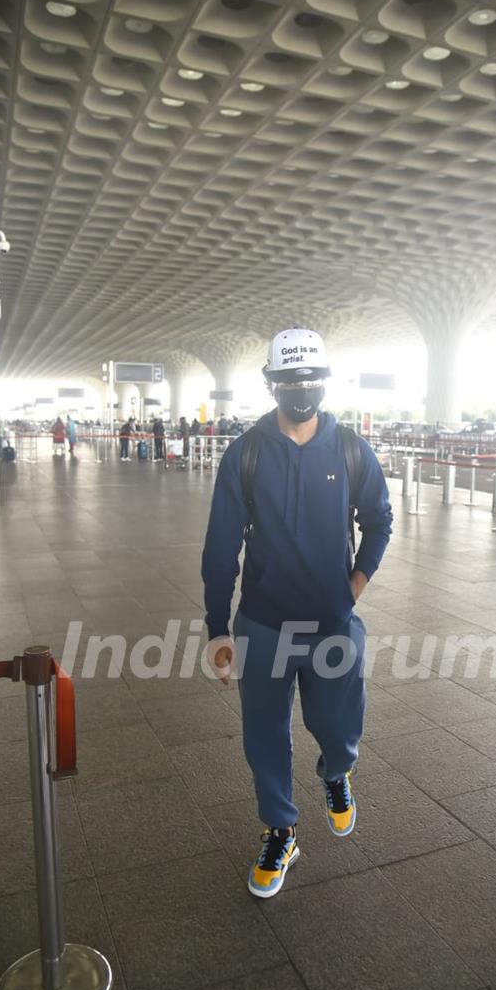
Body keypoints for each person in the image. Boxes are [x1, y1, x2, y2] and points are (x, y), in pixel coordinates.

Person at [201, 328, 392, 898]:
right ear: (271, 384)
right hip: (262, 622)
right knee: (264, 733)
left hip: (332, 621)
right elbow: (219, 548)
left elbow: (379, 521)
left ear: (326, 383)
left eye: (311, 380)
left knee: (336, 724)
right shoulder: (247, 452)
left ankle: (337, 772)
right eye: (289, 381)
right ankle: (280, 829)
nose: (301, 390)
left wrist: (355, 584)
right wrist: (216, 628)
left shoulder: (353, 450)